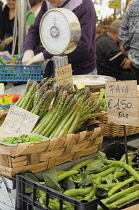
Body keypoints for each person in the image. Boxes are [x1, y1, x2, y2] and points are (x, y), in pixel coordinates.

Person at [22, 0, 97, 75]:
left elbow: (83, 47)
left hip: (80, 71)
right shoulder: (47, 3)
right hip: (55, 68)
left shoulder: (84, 6)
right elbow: (35, 29)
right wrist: (28, 50)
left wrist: (45, 55)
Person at [119, 0, 139, 84]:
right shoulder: (132, 5)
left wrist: (127, 47)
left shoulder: (133, 4)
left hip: (136, 58)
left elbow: (123, 31)